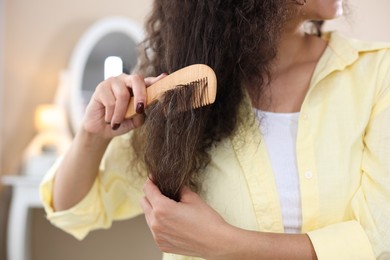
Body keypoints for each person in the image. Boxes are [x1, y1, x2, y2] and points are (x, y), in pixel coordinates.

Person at [40, 0, 390, 259]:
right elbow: (76, 210)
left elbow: (378, 238)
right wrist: (91, 135)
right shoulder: (183, 91)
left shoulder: (377, 73)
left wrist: (223, 244)